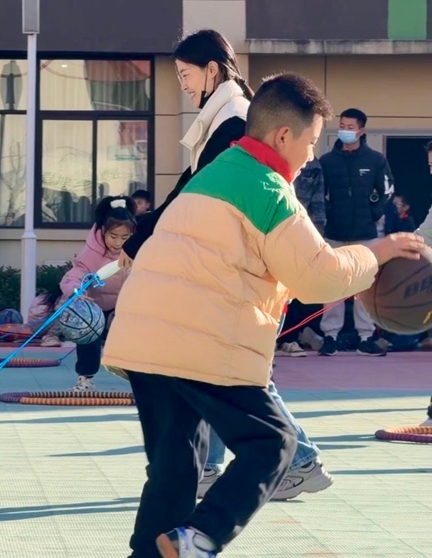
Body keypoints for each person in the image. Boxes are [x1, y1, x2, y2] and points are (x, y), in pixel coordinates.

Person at [103, 73, 426, 558]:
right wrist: (376, 253)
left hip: (144, 339)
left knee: (175, 469)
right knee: (273, 443)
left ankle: (153, 552)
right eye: (311, 142)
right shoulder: (267, 188)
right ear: (283, 136)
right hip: (204, 339)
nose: (312, 155)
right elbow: (318, 276)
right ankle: (200, 537)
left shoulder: (213, 173)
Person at [120, 29, 252, 269]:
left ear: (212, 70)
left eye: (185, 75)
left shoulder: (234, 120)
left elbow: (194, 187)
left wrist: (143, 236)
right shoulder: (228, 114)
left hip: (229, 258)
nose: (183, 86)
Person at [317, 108, 394, 357]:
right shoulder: (327, 161)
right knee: (333, 285)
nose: (345, 131)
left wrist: (373, 213)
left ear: (361, 131)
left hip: (365, 233)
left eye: (350, 127)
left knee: (364, 286)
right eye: (342, 126)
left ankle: (365, 337)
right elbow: (319, 193)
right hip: (334, 233)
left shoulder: (375, 160)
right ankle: (330, 336)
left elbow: (387, 190)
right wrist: (328, 215)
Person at [54, 196, 135, 391]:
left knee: (136, 337)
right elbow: (75, 275)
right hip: (95, 306)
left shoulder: (135, 251)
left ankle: (140, 380)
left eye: (124, 238)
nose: (118, 243)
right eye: (113, 236)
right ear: (103, 231)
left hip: (123, 306)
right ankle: (85, 377)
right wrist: (76, 293)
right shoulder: (92, 253)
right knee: (87, 329)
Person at [275, 157, 327, 357]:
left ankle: (289, 338)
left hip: (301, 232)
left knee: (295, 291)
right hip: (271, 230)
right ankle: (267, 340)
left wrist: (318, 237)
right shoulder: (264, 157)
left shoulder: (311, 164)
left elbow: (317, 202)